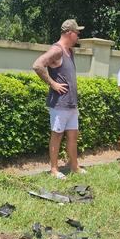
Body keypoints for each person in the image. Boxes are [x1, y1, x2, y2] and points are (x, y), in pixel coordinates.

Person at [32, 19, 87, 179]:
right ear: (70, 33)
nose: (78, 36)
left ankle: (74, 166)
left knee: (73, 136)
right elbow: (37, 65)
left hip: (71, 104)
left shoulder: (69, 51)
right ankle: (54, 169)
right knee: (56, 136)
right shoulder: (57, 50)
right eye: (77, 33)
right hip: (60, 104)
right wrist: (53, 84)